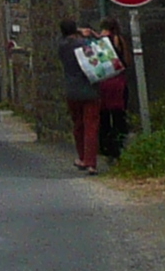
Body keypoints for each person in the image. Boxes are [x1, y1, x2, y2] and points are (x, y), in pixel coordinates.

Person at [55, 19, 104, 173]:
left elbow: (62, 40)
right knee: (91, 126)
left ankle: (82, 157)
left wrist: (76, 32)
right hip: (90, 89)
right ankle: (91, 162)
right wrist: (92, 35)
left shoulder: (62, 47)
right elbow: (102, 49)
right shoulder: (84, 44)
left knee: (78, 125)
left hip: (72, 91)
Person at [98, 20, 134, 163]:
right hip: (119, 81)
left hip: (104, 83)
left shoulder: (100, 42)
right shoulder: (119, 39)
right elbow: (127, 61)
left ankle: (107, 148)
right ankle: (118, 146)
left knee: (104, 116)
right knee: (119, 115)